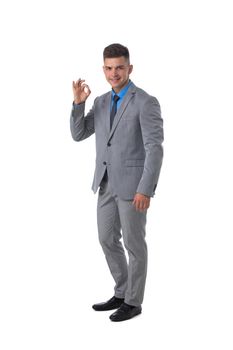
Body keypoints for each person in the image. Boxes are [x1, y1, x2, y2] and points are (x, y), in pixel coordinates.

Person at [70, 43, 164, 322]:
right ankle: (122, 291)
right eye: (109, 68)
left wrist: (145, 188)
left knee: (134, 245)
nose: (114, 73)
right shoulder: (99, 101)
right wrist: (78, 103)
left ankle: (133, 302)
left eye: (119, 67)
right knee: (106, 238)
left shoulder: (145, 102)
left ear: (129, 68)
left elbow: (155, 148)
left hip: (134, 186)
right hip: (106, 182)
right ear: (103, 69)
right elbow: (79, 134)